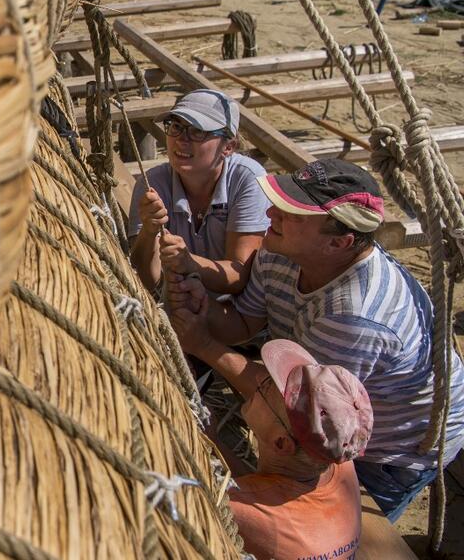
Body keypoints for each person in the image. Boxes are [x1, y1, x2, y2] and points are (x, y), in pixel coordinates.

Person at [168, 157, 464, 522]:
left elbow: (299, 409)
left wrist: (203, 344)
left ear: (340, 242)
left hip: (393, 447)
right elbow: (243, 323)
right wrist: (205, 308)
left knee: (328, 530)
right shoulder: (282, 252)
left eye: (293, 213)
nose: (271, 213)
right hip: (321, 397)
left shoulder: (356, 317)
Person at [213, 338, 372, 560]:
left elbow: (249, 497)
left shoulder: (237, 508)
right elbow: (259, 489)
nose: (258, 380)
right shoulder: (339, 458)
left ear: (281, 443)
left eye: (265, 387)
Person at [128, 89, 270, 296]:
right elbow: (148, 283)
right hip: (181, 304)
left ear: (228, 147)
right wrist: (149, 232)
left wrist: (188, 262)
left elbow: (239, 276)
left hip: (236, 310)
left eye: (197, 131)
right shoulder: (152, 184)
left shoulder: (247, 178)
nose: (181, 140)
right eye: (176, 127)